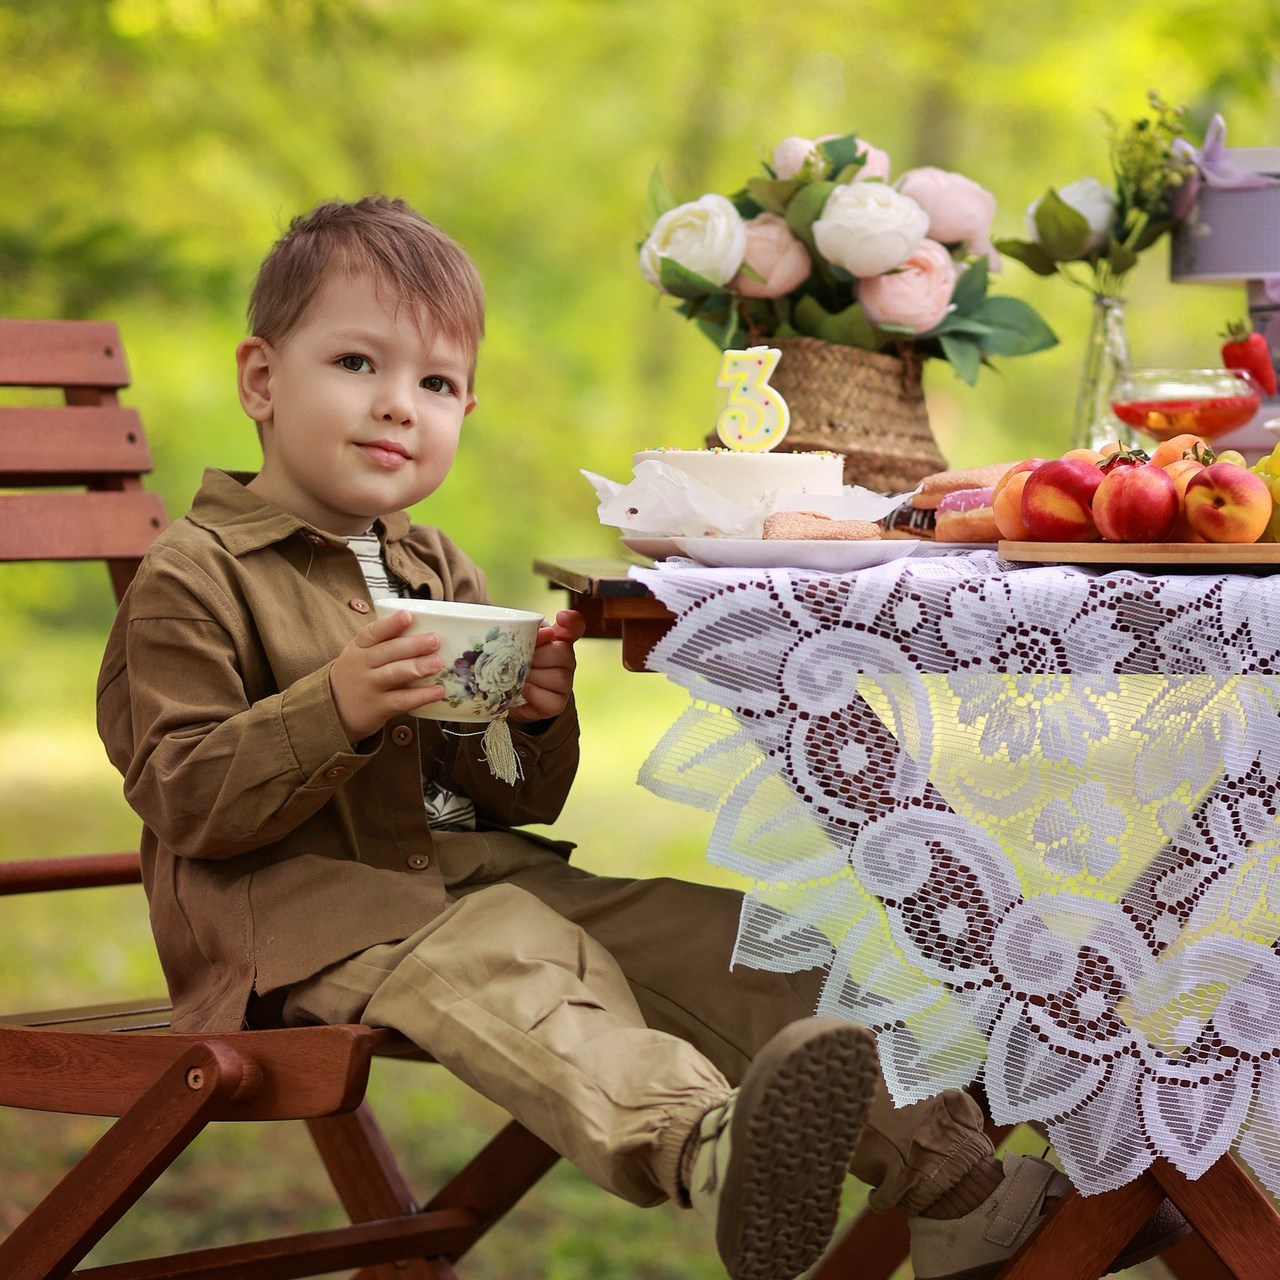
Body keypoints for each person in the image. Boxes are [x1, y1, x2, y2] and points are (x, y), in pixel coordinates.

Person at [97, 196, 1186, 1280]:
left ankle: (959, 1189)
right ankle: (706, 1149)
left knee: (738, 947)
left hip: (474, 875)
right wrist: (334, 702)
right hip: (305, 924)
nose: (396, 406)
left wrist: (532, 715)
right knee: (516, 968)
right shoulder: (191, 576)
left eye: (432, 384)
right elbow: (186, 797)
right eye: (354, 363)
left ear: (463, 409)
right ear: (260, 380)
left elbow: (513, 803)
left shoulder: (433, 564)